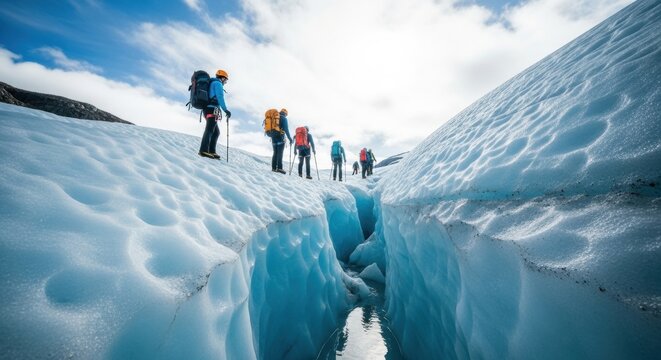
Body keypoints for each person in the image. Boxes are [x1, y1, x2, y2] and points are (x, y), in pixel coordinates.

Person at [199, 69, 231, 159]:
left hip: (208, 109)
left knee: (216, 132)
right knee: (210, 130)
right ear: (222, 78)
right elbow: (220, 97)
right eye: (226, 80)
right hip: (212, 109)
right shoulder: (218, 84)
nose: (225, 82)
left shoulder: (212, 83)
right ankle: (203, 150)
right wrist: (226, 110)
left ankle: (211, 151)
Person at [271, 108, 292, 174]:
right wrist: (290, 138)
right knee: (280, 153)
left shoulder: (274, 117)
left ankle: (273, 168)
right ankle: (279, 168)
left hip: (273, 137)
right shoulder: (284, 118)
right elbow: (286, 129)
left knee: (275, 153)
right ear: (285, 114)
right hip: (280, 138)